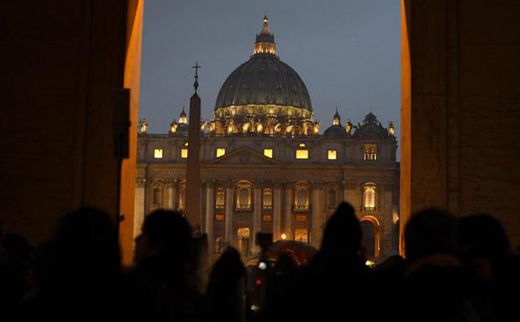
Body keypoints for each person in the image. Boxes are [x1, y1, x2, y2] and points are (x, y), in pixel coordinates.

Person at [130, 209, 202, 322]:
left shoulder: (133, 294)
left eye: (144, 233)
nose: (137, 239)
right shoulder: (193, 302)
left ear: (159, 244)